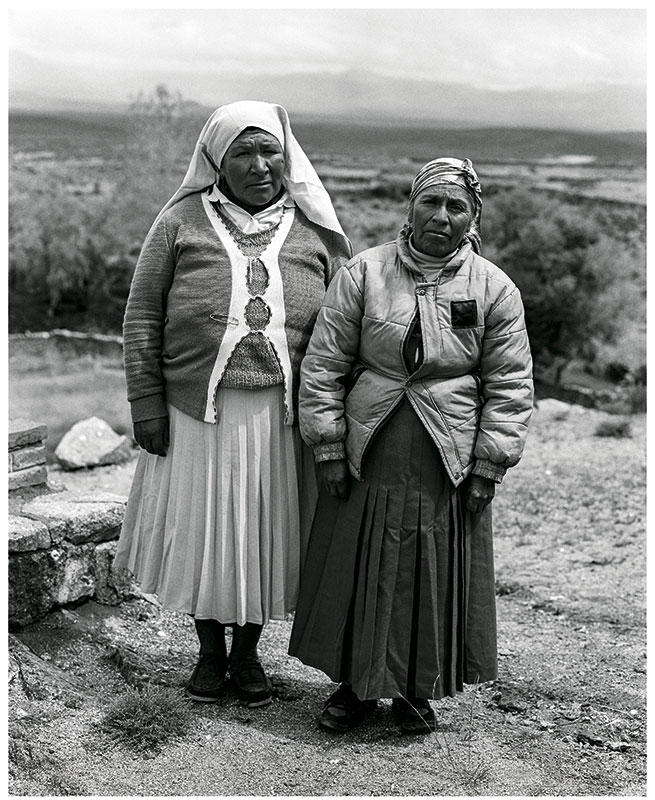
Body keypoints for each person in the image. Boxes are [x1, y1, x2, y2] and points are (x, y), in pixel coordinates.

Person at [114, 101, 351, 708]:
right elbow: (142, 314)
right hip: (196, 411)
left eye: (269, 150)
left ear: (286, 157)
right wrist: (146, 402)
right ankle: (209, 650)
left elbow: (344, 328)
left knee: (261, 533)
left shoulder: (314, 230)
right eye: (243, 152)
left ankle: (247, 653)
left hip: (281, 417)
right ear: (217, 161)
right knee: (205, 532)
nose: (259, 164)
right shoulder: (179, 223)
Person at [288, 157, 533, 734]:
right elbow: (324, 365)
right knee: (360, 565)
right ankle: (353, 687)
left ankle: (414, 690)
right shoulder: (364, 273)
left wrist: (487, 466)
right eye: (432, 202)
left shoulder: (494, 288)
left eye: (457, 207)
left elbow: (510, 385)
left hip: (445, 459)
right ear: (411, 206)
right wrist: (327, 446)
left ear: (472, 218)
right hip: (367, 448)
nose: (442, 217)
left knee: (427, 570)